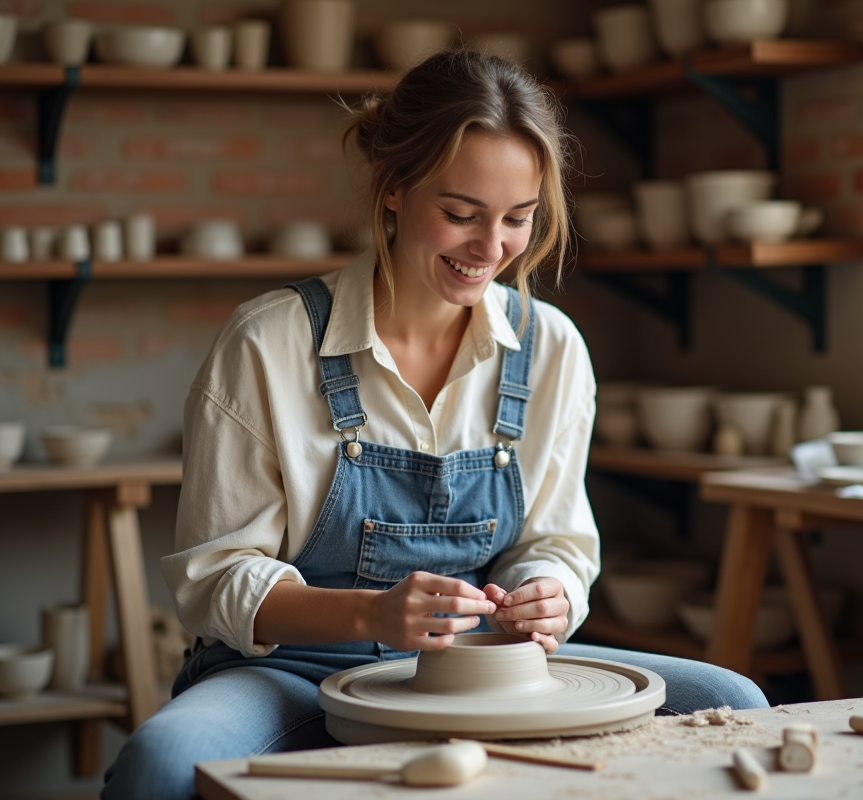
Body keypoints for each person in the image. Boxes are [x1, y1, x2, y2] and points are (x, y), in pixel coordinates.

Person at [101, 49, 766, 800]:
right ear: (393, 187)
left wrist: (545, 590)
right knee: (159, 766)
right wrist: (372, 613)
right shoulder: (269, 342)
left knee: (733, 703)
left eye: (518, 218)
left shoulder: (549, 348)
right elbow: (215, 577)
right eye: (460, 214)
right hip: (292, 670)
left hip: (479, 665)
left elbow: (555, 541)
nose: (491, 248)